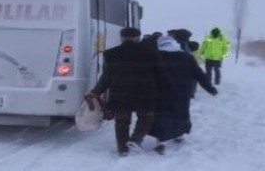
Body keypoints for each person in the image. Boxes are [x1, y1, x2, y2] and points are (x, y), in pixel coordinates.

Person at [86, 27, 169, 157]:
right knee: (146, 118)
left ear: (122, 38)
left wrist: (95, 92)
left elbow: (106, 77)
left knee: (122, 122)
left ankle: (122, 149)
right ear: (138, 38)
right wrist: (165, 91)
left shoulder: (110, 54)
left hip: (120, 94)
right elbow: (161, 75)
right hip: (145, 94)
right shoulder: (151, 52)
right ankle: (135, 140)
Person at [148, 36, 218, 154]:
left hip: (161, 92)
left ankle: (161, 141)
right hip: (182, 92)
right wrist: (210, 88)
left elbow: (147, 76)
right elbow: (199, 74)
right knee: (180, 113)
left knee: (162, 115)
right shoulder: (186, 57)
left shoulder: (156, 57)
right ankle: (179, 134)